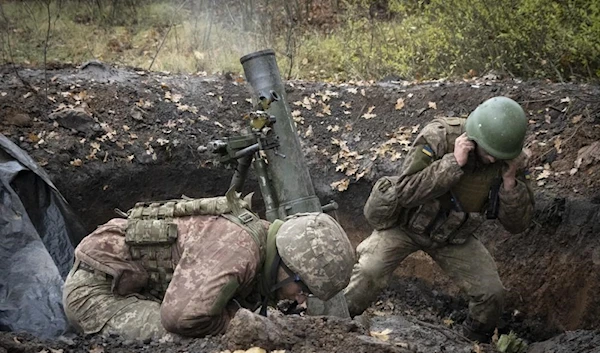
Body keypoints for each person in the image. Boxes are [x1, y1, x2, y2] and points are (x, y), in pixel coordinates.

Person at [344, 96, 534, 342]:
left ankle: (474, 342)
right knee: (369, 271)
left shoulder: (510, 159)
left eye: (501, 155)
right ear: (475, 137)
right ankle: (335, 323)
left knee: (491, 293)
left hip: (453, 237)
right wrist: (452, 164)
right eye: (490, 152)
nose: (494, 160)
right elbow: (406, 191)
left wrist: (510, 184)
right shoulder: (439, 136)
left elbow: (518, 225)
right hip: (405, 225)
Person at [63, 189, 355, 340]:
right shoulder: (239, 249)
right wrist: (241, 325)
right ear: (286, 261)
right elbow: (182, 319)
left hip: (141, 288)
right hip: (98, 291)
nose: (302, 301)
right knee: (186, 341)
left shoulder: (260, 240)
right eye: (303, 288)